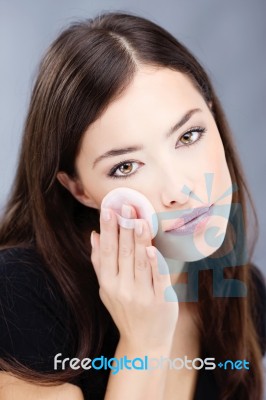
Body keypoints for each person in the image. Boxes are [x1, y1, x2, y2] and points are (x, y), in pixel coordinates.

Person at [0, 11, 265, 400]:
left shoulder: (242, 297)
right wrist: (143, 344)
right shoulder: (21, 295)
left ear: (214, 116)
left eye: (189, 135)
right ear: (78, 189)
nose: (179, 189)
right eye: (125, 166)